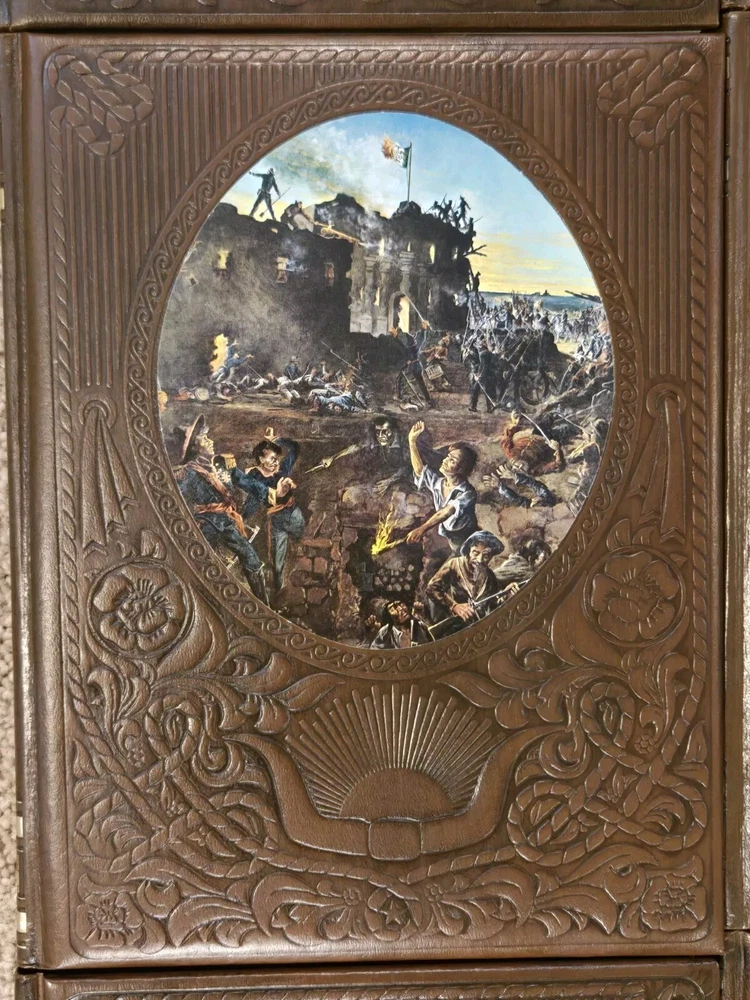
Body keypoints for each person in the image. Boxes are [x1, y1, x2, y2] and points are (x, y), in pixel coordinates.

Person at [175, 416, 267, 602]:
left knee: (251, 557)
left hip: (226, 522)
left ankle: (264, 604)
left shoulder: (222, 464)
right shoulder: (187, 473)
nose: (210, 441)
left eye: (208, 437)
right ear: (194, 447)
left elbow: (249, 484)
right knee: (197, 565)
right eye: (204, 439)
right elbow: (179, 503)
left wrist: (262, 496)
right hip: (205, 526)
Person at [231, 427, 305, 592]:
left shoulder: (281, 471)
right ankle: (278, 592)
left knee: (302, 542)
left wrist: (276, 440)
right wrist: (241, 518)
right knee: (277, 564)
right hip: (276, 521)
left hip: (294, 514)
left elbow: (294, 448)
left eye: (277, 459)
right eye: (272, 458)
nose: (276, 462)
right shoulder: (254, 477)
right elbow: (253, 498)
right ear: (260, 458)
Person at [406, 421, 478, 551]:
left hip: (468, 538)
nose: (445, 460)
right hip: (451, 537)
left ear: (462, 468)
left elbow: (446, 512)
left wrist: (422, 529)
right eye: (448, 457)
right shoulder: (439, 483)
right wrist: (412, 442)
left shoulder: (467, 493)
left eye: (452, 460)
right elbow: (420, 471)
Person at [424, 531, 505, 634]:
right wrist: (454, 606)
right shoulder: (455, 564)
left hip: (483, 629)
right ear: (469, 550)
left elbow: (494, 603)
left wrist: (505, 595)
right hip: (457, 628)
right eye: (476, 553)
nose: (480, 560)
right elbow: (432, 588)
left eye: (486, 556)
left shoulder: (490, 576)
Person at [390, 325, 432, 407]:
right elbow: (420, 340)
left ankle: (402, 397)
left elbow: (405, 349)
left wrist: (407, 360)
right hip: (416, 365)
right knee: (420, 382)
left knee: (402, 380)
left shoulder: (406, 343)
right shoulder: (414, 342)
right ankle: (428, 399)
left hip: (412, 365)